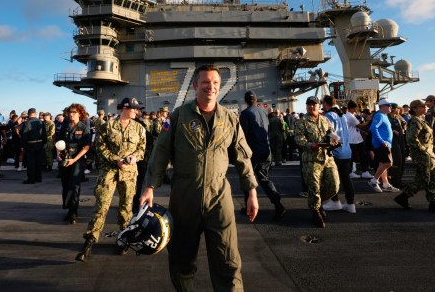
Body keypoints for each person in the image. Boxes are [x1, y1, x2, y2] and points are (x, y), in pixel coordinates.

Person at [140, 64, 258, 291]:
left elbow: (243, 156)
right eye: (205, 82)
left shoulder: (230, 119)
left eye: (215, 83)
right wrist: (150, 187)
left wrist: (251, 191)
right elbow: (160, 151)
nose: (210, 87)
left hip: (219, 198)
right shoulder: (178, 116)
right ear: (195, 85)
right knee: (181, 261)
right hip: (185, 198)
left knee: (228, 261)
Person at [76, 97, 146, 262]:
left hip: (129, 174)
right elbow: (100, 148)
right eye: (134, 109)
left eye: (138, 109)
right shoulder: (107, 126)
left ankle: (124, 239)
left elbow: (142, 149)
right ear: (125, 109)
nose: (137, 112)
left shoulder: (139, 128)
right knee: (101, 206)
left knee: (126, 208)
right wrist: (116, 159)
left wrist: (134, 157)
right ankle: (89, 241)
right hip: (109, 171)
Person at [394, 100, 435, 214]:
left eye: (426, 106)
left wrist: (432, 149)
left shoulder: (422, 120)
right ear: (415, 109)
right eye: (422, 106)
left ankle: (434, 202)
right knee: (424, 178)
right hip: (422, 155)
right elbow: (411, 139)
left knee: (432, 178)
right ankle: (404, 196)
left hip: (429, 153)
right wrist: (424, 150)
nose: (425, 108)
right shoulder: (415, 121)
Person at [294, 95, 340, 227]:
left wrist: (334, 140)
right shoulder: (302, 122)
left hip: (327, 158)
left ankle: (317, 203)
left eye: (314, 104)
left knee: (334, 185)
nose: (311, 106)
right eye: (309, 104)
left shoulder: (325, 120)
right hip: (311, 159)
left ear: (319, 106)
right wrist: (311, 145)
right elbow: (299, 140)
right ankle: (316, 211)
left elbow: (332, 133)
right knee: (314, 187)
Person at [240, 90, 286, 220]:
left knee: (247, 178)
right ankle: (278, 204)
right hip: (266, 150)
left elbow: (242, 135)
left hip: (253, 152)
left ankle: (248, 207)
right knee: (264, 178)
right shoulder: (263, 113)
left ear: (245, 100)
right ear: (256, 100)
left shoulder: (245, 114)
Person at [58, 104, 91, 225]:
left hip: (77, 159)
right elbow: (59, 141)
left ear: (80, 114)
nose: (71, 114)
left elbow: (86, 147)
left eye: (74, 112)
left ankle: (73, 212)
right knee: (65, 184)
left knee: (74, 184)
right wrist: (58, 154)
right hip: (65, 158)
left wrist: (74, 159)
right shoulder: (65, 125)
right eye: (70, 112)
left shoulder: (84, 127)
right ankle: (68, 208)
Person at [321, 95, 356, 214]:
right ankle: (351, 204)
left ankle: (335, 201)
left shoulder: (329, 115)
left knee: (331, 178)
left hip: (336, 152)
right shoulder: (343, 115)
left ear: (326, 103)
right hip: (347, 151)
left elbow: (328, 133)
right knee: (346, 178)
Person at [368, 99, 400, 193]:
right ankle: (373, 181)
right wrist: (382, 141)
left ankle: (385, 184)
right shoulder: (379, 115)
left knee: (383, 164)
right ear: (382, 106)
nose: (390, 107)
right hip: (382, 144)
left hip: (385, 144)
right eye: (388, 105)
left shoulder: (384, 116)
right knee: (388, 163)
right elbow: (373, 128)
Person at [21, 108, 46, 184]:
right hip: (40, 144)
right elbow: (44, 133)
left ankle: (31, 179)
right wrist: (44, 143)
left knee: (31, 162)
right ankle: (38, 178)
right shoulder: (40, 122)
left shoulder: (27, 122)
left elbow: (24, 134)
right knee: (38, 162)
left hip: (31, 144)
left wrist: (22, 145)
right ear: (35, 113)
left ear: (28, 114)